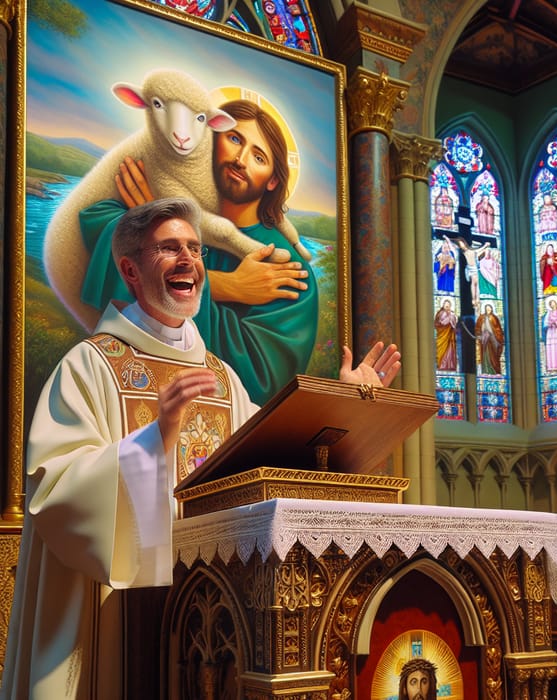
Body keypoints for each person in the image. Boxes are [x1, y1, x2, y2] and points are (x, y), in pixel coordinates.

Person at [1, 198, 401, 700]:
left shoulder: (222, 379)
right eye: (169, 248)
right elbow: (56, 495)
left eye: (195, 248)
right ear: (129, 269)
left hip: (208, 623)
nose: (189, 259)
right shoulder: (89, 368)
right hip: (114, 625)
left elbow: (276, 455)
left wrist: (343, 407)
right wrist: (152, 442)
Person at [78, 97, 318, 406]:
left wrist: (165, 266)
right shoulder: (168, 196)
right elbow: (95, 222)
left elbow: (259, 378)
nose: (240, 159)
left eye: (258, 157)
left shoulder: (286, 268)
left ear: (273, 180)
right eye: (234, 139)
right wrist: (223, 284)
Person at [456, 238, 490, 309]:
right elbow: (478, 251)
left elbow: (479, 251)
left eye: (462, 244)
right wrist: (485, 246)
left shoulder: (471, 251)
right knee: (473, 283)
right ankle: (474, 299)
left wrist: (485, 246)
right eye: (460, 245)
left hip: (475, 268)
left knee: (476, 284)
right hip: (470, 269)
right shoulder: (466, 252)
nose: (462, 246)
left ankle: (476, 299)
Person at [475, 303, 504, 375]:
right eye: (487, 308)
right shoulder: (481, 317)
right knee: (485, 356)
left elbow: (498, 329)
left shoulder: (494, 318)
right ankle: (485, 371)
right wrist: (479, 334)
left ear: (492, 309)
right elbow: (477, 328)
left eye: (489, 308)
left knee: (493, 356)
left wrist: (495, 336)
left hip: (493, 340)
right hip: (484, 340)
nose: (488, 310)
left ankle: (495, 371)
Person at [434, 298, 458, 371]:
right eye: (446, 305)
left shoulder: (452, 314)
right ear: (443, 305)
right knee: (441, 350)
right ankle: (441, 365)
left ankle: (450, 365)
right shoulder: (440, 313)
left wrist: (452, 317)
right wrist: (448, 318)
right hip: (442, 335)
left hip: (450, 336)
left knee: (450, 351)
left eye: (448, 305)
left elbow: (454, 323)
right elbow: (439, 323)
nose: (447, 307)